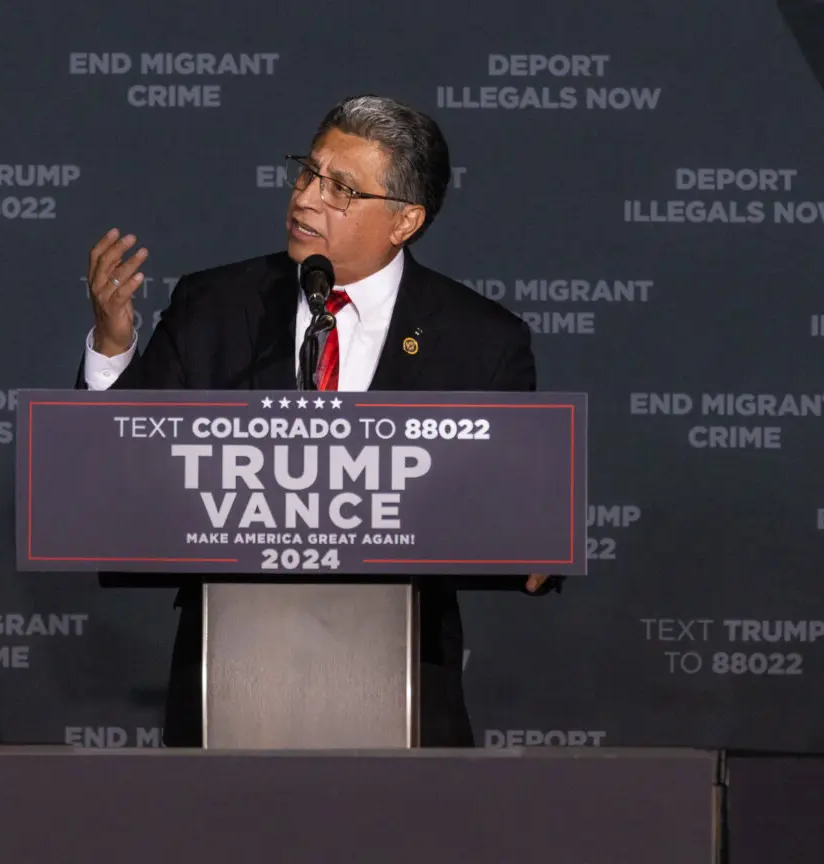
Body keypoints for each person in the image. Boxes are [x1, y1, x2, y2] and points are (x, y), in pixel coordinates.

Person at [75, 94, 550, 748]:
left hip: (403, 677)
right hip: (228, 676)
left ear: (405, 220)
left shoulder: (478, 341)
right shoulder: (216, 306)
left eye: (342, 189)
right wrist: (111, 347)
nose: (305, 199)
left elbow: (515, 503)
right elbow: (123, 477)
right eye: (307, 172)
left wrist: (534, 537)